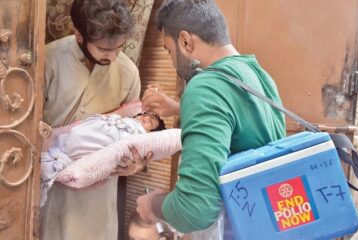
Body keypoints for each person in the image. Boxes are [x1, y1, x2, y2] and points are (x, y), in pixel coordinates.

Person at [136, 0, 286, 239]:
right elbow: (237, 122)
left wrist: (152, 204)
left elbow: (194, 209)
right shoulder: (258, 76)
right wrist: (178, 107)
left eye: (168, 50)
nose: (172, 61)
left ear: (185, 41)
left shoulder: (205, 87)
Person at [40, 0, 147, 239]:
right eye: (105, 49)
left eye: (120, 47)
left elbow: (134, 133)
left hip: (99, 195)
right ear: (78, 34)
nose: (114, 56)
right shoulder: (47, 60)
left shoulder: (128, 72)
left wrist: (137, 163)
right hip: (49, 185)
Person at [40, 112, 166, 207]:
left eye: (151, 123)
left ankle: (61, 160)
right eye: (146, 115)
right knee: (78, 135)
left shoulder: (139, 135)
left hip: (103, 147)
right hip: (75, 136)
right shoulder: (124, 119)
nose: (147, 118)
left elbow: (138, 151)